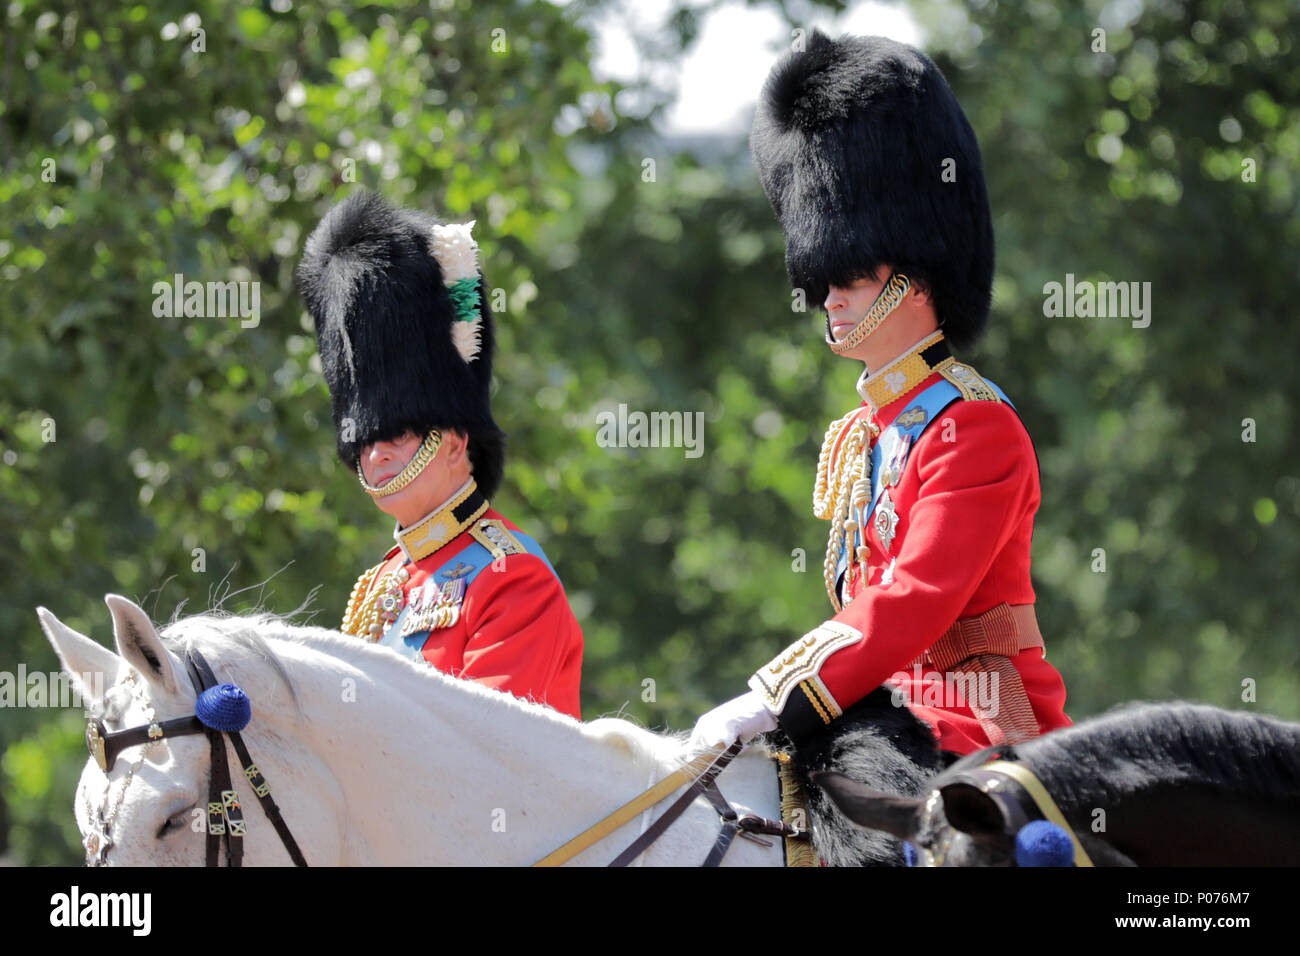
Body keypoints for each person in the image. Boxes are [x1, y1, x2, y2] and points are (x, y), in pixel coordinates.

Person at [690, 32, 1071, 757]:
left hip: (987, 725)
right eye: (824, 279)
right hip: (883, 710)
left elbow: (915, 602)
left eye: (852, 277)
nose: (826, 298)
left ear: (917, 280)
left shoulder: (975, 427)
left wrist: (774, 693)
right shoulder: (866, 432)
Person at [298, 190, 583, 720]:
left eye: (398, 433)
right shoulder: (381, 582)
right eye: (364, 440)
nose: (376, 452)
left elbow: (486, 749)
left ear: (453, 442)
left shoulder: (510, 575)